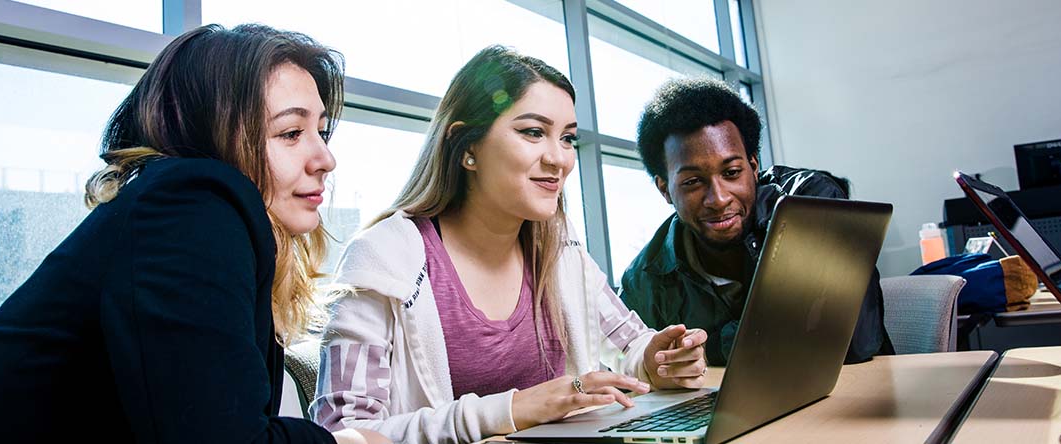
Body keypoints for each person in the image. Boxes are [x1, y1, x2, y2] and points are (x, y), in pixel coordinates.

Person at [0, 24, 383, 444]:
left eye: (320, 131)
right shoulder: (195, 204)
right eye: (290, 132)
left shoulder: (182, 210)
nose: (325, 158)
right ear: (214, 135)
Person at [311, 45, 709, 443]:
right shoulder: (384, 258)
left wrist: (659, 361)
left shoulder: (558, 244)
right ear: (467, 147)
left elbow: (629, 346)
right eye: (533, 132)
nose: (559, 159)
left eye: (567, 138)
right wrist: (511, 410)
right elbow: (343, 434)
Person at [618, 77, 894, 367]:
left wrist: (708, 346)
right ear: (665, 189)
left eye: (732, 172)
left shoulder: (812, 202)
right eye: (693, 182)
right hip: (728, 411)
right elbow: (628, 374)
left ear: (753, 166)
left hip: (861, 398)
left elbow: (853, 339)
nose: (719, 198)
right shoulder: (645, 278)